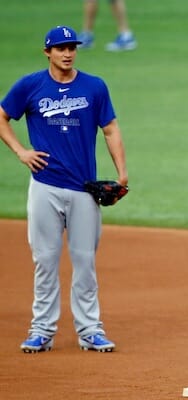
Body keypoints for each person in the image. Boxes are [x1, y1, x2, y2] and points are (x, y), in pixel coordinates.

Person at [0, 25, 129, 353]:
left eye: (72, 47)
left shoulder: (94, 87)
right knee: (45, 261)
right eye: (60, 48)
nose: (68, 53)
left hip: (84, 189)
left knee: (85, 262)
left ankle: (90, 331)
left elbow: (110, 129)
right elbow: (2, 116)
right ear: (48, 52)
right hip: (45, 186)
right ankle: (41, 330)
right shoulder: (30, 85)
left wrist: (122, 173)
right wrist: (21, 152)